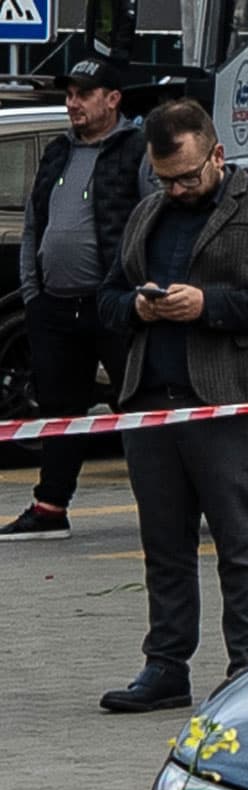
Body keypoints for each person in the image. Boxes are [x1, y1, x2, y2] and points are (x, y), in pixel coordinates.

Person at [95, 99, 248, 714]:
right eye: (167, 178)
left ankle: (247, 667)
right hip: (151, 404)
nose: (180, 188)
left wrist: (208, 306)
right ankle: (166, 666)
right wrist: (136, 307)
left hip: (228, 403)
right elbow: (107, 296)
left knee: (239, 542)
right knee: (164, 545)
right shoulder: (147, 212)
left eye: (189, 175)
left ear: (217, 154)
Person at [0, 54, 154, 542]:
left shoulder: (137, 151)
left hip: (112, 303)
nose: (73, 104)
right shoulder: (58, 152)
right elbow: (32, 224)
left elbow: (156, 221)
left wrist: (138, 290)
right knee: (58, 411)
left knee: (139, 404)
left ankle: (162, 505)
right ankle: (50, 507)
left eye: (83, 95)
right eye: (69, 95)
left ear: (113, 99)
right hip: (54, 305)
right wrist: (33, 291)